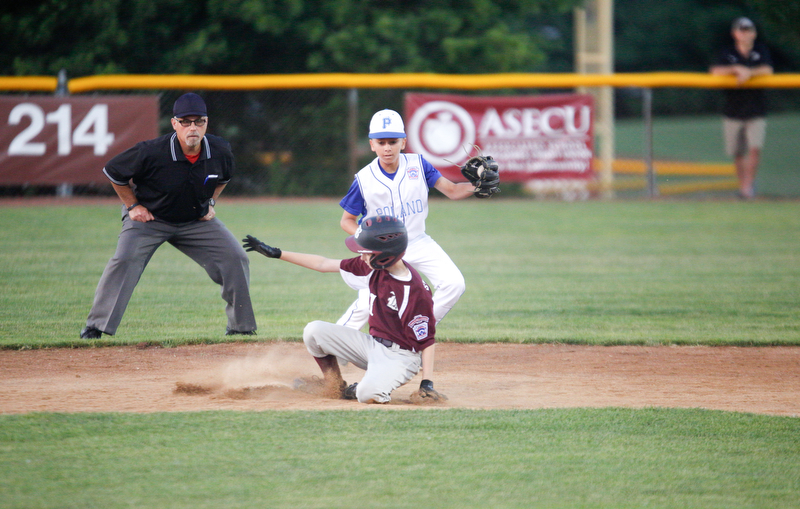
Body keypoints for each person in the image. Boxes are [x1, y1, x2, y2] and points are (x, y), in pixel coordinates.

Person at [79, 93, 257, 339]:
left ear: (207, 123)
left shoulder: (219, 150)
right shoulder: (152, 152)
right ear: (174, 124)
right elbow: (113, 172)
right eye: (185, 121)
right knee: (125, 260)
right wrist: (133, 207)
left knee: (236, 258)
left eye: (199, 121)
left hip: (195, 220)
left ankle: (241, 328)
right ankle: (96, 327)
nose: (192, 127)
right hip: (151, 219)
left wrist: (211, 202)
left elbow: (222, 179)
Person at [242, 215, 446, 404]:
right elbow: (323, 263)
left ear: (384, 255)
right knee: (314, 331)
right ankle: (335, 384)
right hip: (372, 345)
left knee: (368, 394)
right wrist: (277, 253)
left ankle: (362, 389)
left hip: (401, 357)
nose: (362, 256)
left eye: (366, 252)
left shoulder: (414, 291)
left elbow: (427, 340)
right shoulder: (374, 265)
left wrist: (426, 384)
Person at [337, 109, 489, 331]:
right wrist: (369, 243)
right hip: (383, 249)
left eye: (393, 141)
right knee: (368, 300)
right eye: (381, 142)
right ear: (372, 145)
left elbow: (453, 191)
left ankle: (413, 332)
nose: (387, 147)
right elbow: (346, 220)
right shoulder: (364, 179)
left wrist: (477, 186)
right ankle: (332, 345)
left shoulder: (418, 164)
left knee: (453, 284)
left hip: (418, 241)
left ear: (403, 142)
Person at [710, 16, 774, 200]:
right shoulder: (728, 53)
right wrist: (736, 68)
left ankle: (747, 188)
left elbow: (767, 70)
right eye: (742, 30)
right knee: (737, 153)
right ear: (735, 33)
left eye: (748, 30)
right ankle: (744, 185)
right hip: (733, 110)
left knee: (755, 148)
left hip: (756, 109)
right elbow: (715, 72)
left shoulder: (760, 51)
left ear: (754, 33)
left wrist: (749, 72)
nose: (745, 33)